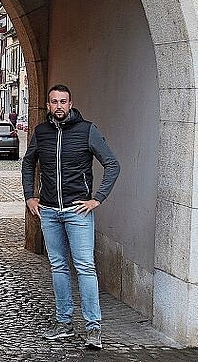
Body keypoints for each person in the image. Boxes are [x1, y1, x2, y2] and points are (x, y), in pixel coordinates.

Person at [21, 84, 119, 350]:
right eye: (54, 102)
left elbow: (112, 164)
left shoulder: (87, 130)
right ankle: (64, 323)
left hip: (78, 211)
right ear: (49, 105)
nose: (59, 106)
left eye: (63, 101)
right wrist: (30, 195)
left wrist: (97, 198)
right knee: (58, 267)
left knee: (85, 267)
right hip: (49, 211)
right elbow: (28, 162)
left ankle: (93, 327)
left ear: (70, 103)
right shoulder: (41, 132)